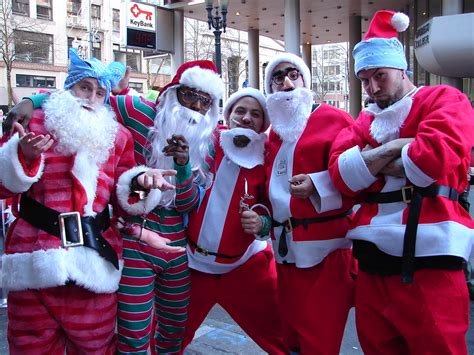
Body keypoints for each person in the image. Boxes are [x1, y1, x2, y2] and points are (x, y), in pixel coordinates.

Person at [5, 59, 224, 354]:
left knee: (171, 327)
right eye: (189, 95)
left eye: (204, 101)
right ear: (173, 93)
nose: (195, 106)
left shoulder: (203, 144)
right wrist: (32, 102)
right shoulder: (133, 113)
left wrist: (173, 171)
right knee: (128, 332)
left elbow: (172, 201)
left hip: (150, 247)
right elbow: (87, 95)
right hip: (57, 253)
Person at [328, 11, 474, 355]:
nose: (373, 88)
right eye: (365, 80)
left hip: (432, 258)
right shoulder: (362, 120)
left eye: (380, 76)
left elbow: (432, 160)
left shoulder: (444, 99)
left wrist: (371, 158)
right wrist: (400, 146)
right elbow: (341, 177)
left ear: (401, 70)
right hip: (372, 261)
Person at [245, 52, 357, 354]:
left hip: (327, 254)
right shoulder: (272, 136)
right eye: (277, 77)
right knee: (289, 337)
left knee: (319, 340)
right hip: (285, 255)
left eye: (293, 73)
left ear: (306, 80)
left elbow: (359, 177)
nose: (286, 82)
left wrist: (317, 184)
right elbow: (265, 192)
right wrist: (262, 220)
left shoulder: (334, 119)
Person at [180, 88, 286, 354]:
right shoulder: (205, 140)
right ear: (228, 114)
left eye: (255, 114)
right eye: (240, 110)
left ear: (264, 123)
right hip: (193, 265)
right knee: (170, 339)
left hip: (245, 267)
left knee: (282, 338)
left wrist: (261, 222)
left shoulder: (268, 156)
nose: (247, 118)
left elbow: (274, 205)